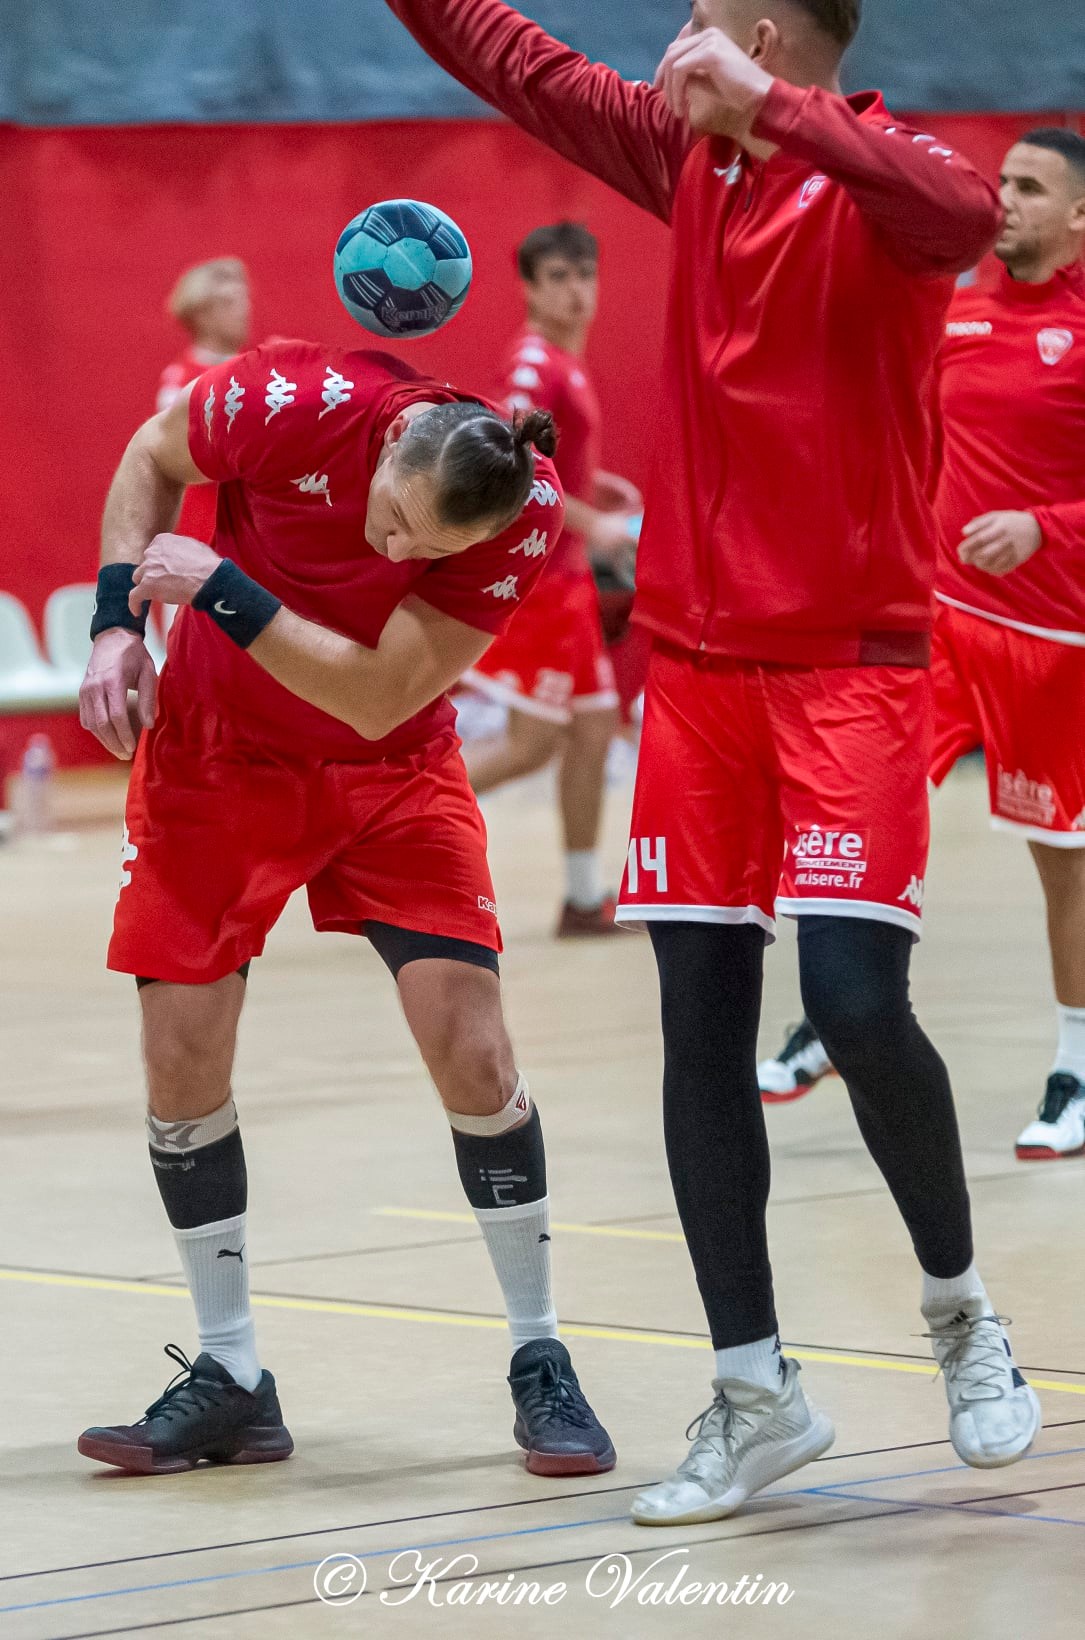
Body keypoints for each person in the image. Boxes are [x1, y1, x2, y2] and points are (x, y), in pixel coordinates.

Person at [382, 0, 1042, 1525]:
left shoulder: (888, 172)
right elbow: (524, 64)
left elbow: (952, 211)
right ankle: (754, 1393)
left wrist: (779, 106)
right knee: (697, 1039)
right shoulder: (687, 160)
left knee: (859, 1007)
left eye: (699, 13)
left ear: (760, 30)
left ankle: (961, 1317)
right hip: (697, 677)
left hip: (852, 675)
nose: (672, 32)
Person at [76, 338, 615, 1479]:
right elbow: (147, 453)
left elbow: (376, 694)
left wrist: (217, 587)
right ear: (381, 450)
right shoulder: (288, 399)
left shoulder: (522, 513)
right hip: (216, 757)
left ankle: (538, 1352)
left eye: (430, 547)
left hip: (391, 768)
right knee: (180, 1057)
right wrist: (116, 622)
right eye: (393, 518)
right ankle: (230, 1373)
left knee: (472, 1047)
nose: (398, 548)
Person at [759, 129, 1085, 1161]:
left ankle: (1074, 1069)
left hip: (1053, 634)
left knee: (1062, 865)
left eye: (1030, 189)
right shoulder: (956, 309)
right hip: (934, 617)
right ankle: (838, 1015)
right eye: (1002, 182)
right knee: (853, 801)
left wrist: (1046, 525)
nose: (1006, 199)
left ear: (1078, 218)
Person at [461, 221, 642, 936]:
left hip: (565, 580)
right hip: (544, 582)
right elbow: (506, 453)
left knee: (595, 730)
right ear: (530, 288)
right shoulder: (534, 362)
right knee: (533, 744)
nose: (576, 291)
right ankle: (369, 823)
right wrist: (589, 522)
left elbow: (550, 463)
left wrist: (595, 493)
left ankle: (579, 896)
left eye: (584, 275)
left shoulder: (565, 365)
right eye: (559, 277)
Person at [156, 258, 253, 547]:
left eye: (244, 299)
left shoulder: (260, 370)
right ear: (201, 314)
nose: (244, 311)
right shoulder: (180, 382)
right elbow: (186, 455)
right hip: (205, 527)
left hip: (258, 526)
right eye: (229, 302)